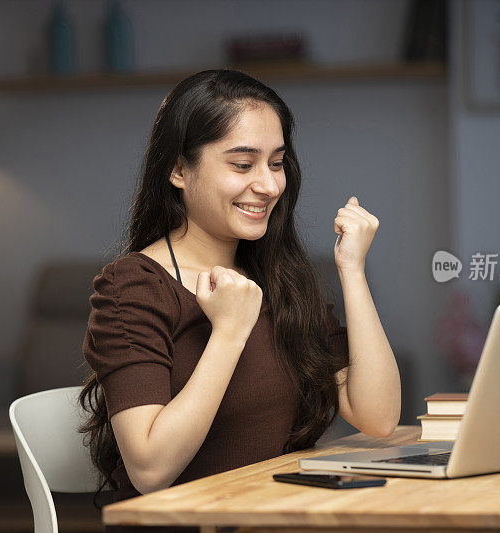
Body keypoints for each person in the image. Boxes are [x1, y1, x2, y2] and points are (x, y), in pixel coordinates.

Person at [80, 69, 400, 532]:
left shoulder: (278, 275)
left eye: (276, 163)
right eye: (242, 164)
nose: (269, 186)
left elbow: (379, 417)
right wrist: (229, 331)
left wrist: (351, 271)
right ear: (177, 169)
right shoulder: (134, 287)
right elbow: (149, 470)